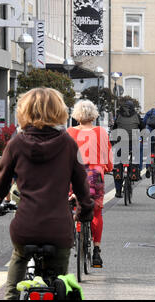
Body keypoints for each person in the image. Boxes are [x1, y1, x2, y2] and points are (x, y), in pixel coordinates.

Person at [0, 88, 94, 300]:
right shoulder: (68, 144)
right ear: (59, 111)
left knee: (19, 257)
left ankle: (11, 297)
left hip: (26, 227)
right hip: (58, 229)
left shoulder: (16, 144)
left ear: (24, 111)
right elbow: (82, 187)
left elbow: (0, 185)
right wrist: (85, 212)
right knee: (59, 283)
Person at [67, 100, 113, 268]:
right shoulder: (101, 132)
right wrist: (107, 167)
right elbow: (107, 155)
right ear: (94, 115)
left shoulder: (69, 132)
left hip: (73, 176)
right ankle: (96, 251)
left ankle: (72, 232)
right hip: (95, 176)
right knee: (96, 212)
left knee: (69, 203)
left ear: (76, 115)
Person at [112, 100, 145, 198]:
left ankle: (118, 190)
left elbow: (114, 129)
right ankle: (135, 172)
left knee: (118, 164)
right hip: (133, 142)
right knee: (137, 155)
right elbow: (142, 128)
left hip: (121, 143)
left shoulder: (118, 115)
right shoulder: (136, 116)